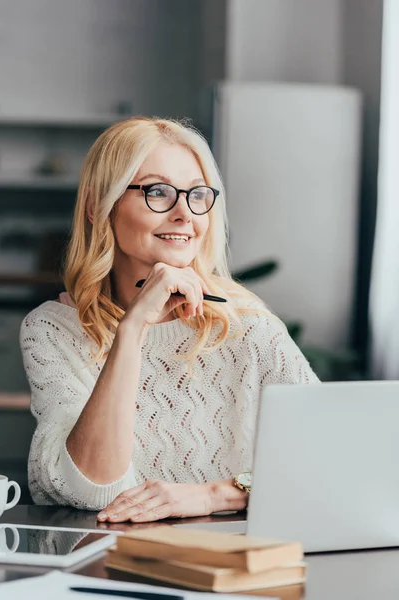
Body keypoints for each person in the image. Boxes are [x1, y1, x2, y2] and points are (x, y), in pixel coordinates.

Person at [20, 117, 319, 523]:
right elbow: (90, 488)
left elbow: (329, 460)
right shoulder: (52, 330)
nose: (184, 214)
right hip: (109, 566)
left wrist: (215, 494)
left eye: (197, 195)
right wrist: (131, 330)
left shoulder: (250, 328)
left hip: (231, 567)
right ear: (97, 207)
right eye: (158, 192)